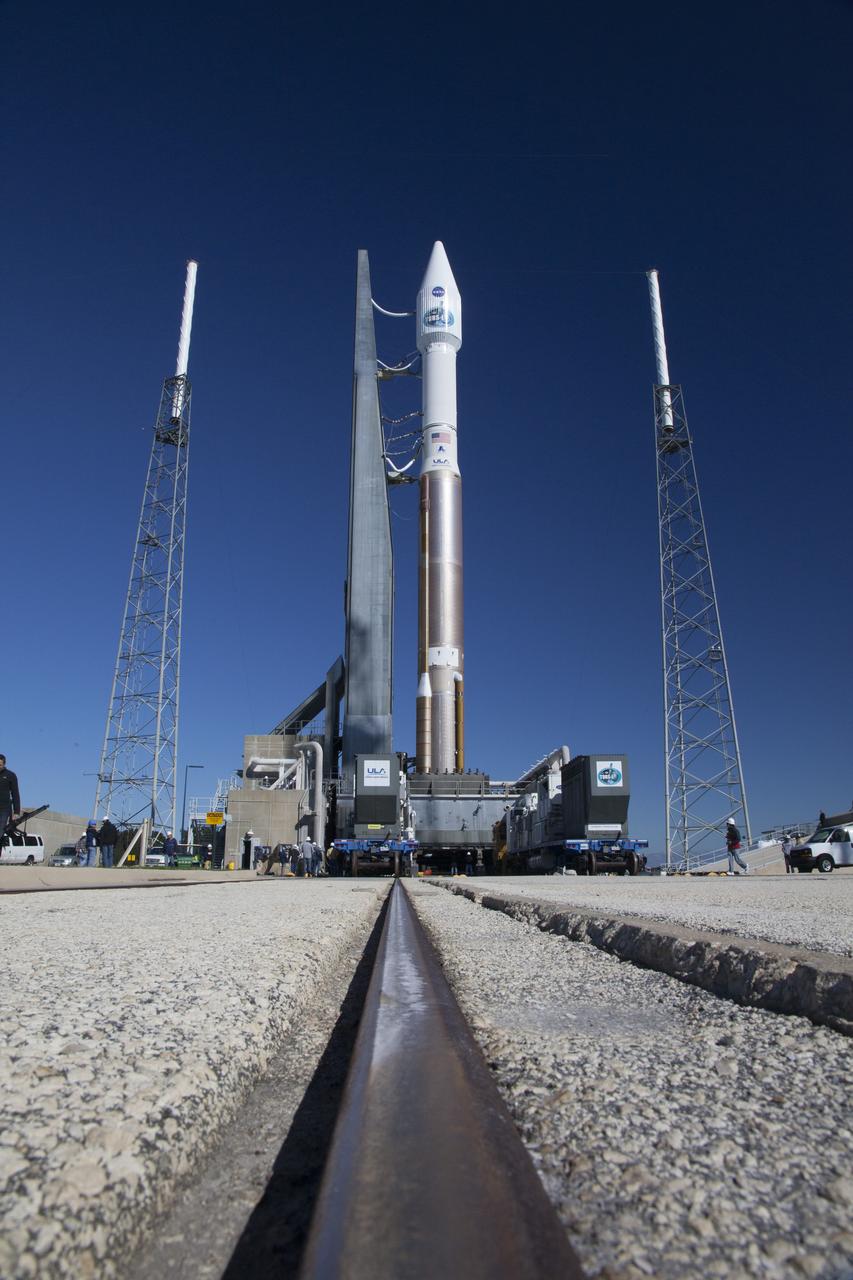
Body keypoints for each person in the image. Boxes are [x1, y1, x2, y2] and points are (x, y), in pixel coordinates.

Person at [0, 754, 21, 838]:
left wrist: (16, 812)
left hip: (4, 809)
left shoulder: (11, 775)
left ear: (4, 764)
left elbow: (15, 793)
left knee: (0, 830)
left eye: (0, 765)